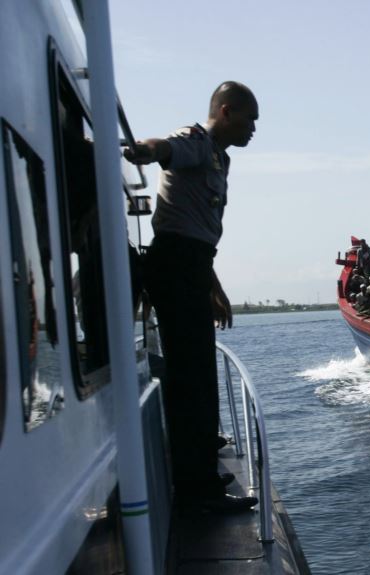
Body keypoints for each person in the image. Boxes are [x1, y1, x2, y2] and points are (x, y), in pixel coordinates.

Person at [124, 81, 259, 513]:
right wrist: (143, 150)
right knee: (191, 378)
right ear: (225, 111)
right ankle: (198, 492)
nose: (253, 128)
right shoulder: (198, 142)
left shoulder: (220, 159)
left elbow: (199, 232)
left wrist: (212, 286)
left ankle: (201, 470)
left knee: (198, 373)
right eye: (248, 118)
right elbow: (164, 147)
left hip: (192, 264)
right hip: (178, 265)